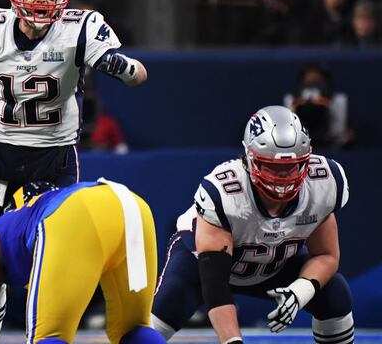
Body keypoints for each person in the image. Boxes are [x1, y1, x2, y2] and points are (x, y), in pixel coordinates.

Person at [0, 0, 147, 341]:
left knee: (53, 268)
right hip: (2, 163)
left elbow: (139, 74)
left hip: (55, 162)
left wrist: (121, 67)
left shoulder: (80, 28)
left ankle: (52, 330)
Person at [151, 106, 354, 344]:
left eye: (292, 166)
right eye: (273, 167)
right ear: (249, 158)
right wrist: (233, 341)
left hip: (274, 265)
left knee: (334, 292)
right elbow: (215, 284)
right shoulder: (225, 193)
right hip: (200, 266)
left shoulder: (323, 183)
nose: (283, 178)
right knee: (158, 321)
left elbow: (327, 255)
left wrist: (301, 290)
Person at [0, 180, 165, 344]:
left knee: (49, 337)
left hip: (75, 215)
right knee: (134, 328)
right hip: (132, 204)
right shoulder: (51, 202)